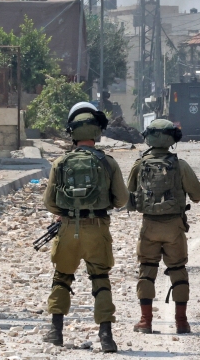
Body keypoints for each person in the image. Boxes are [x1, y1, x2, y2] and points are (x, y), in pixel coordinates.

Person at [42, 102, 128, 353]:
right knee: (100, 279)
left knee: (62, 277)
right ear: (97, 132)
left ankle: (55, 332)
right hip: (97, 229)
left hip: (68, 228)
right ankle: (106, 336)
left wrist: (66, 213)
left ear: (72, 133)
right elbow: (121, 200)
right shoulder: (108, 162)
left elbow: (49, 202)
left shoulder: (60, 162)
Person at [127, 119, 200, 335]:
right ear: (172, 139)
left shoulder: (139, 164)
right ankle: (182, 322)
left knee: (146, 270)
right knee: (178, 270)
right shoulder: (181, 165)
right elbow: (197, 195)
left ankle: (145, 321)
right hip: (174, 227)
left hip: (149, 226)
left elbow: (128, 199)